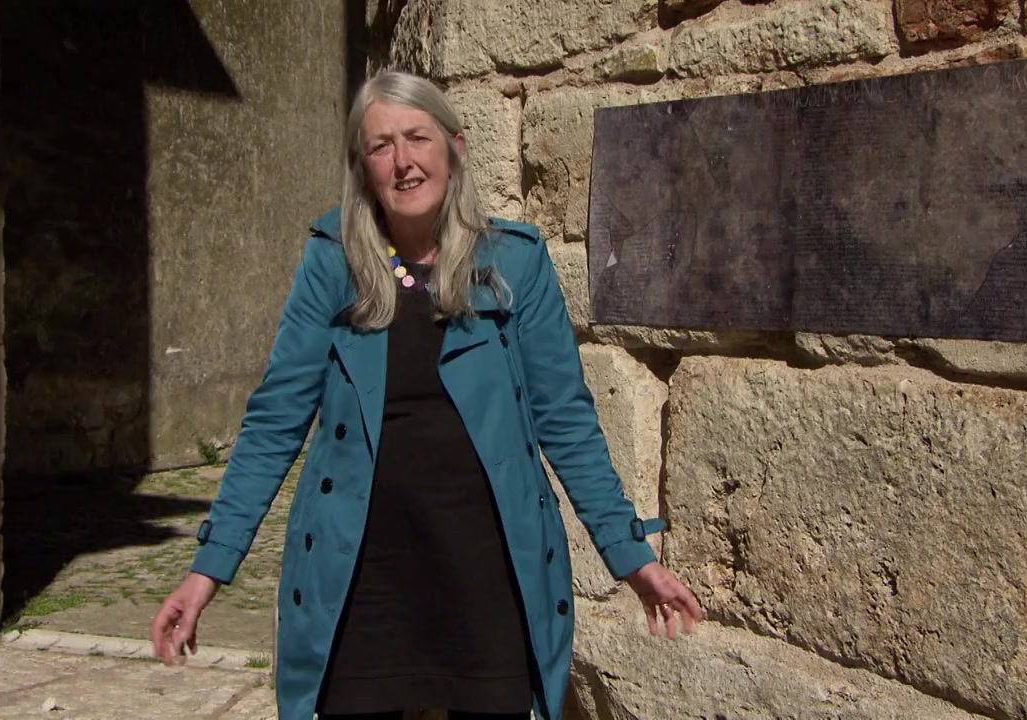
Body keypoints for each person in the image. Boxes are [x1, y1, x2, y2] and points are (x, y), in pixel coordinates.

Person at [150, 70, 704, 720]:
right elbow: (274, 423)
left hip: (488, 577)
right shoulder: (332, 264)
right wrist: (208, 570)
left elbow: (566, 422)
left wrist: (630, 555)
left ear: (455, 148)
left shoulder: (516, 263)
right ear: (363, 167)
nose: (403, 161)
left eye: (417, 137)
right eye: (381, 145)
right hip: (362, 579)